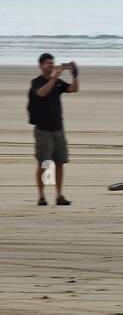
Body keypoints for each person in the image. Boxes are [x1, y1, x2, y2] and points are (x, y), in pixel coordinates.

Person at [28, 53, 80, 206]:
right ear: (41, 65)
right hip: (43, 129)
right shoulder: (36, 82)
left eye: (52, 63)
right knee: (44, 163)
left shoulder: (57, 82)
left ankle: (59, 196)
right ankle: (41, 196)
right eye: (47, 63)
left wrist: (75, 75)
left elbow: (73, 89)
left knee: (60, 162)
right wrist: (53, 78)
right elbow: (41, 94)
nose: (51, 65)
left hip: (58, 128)